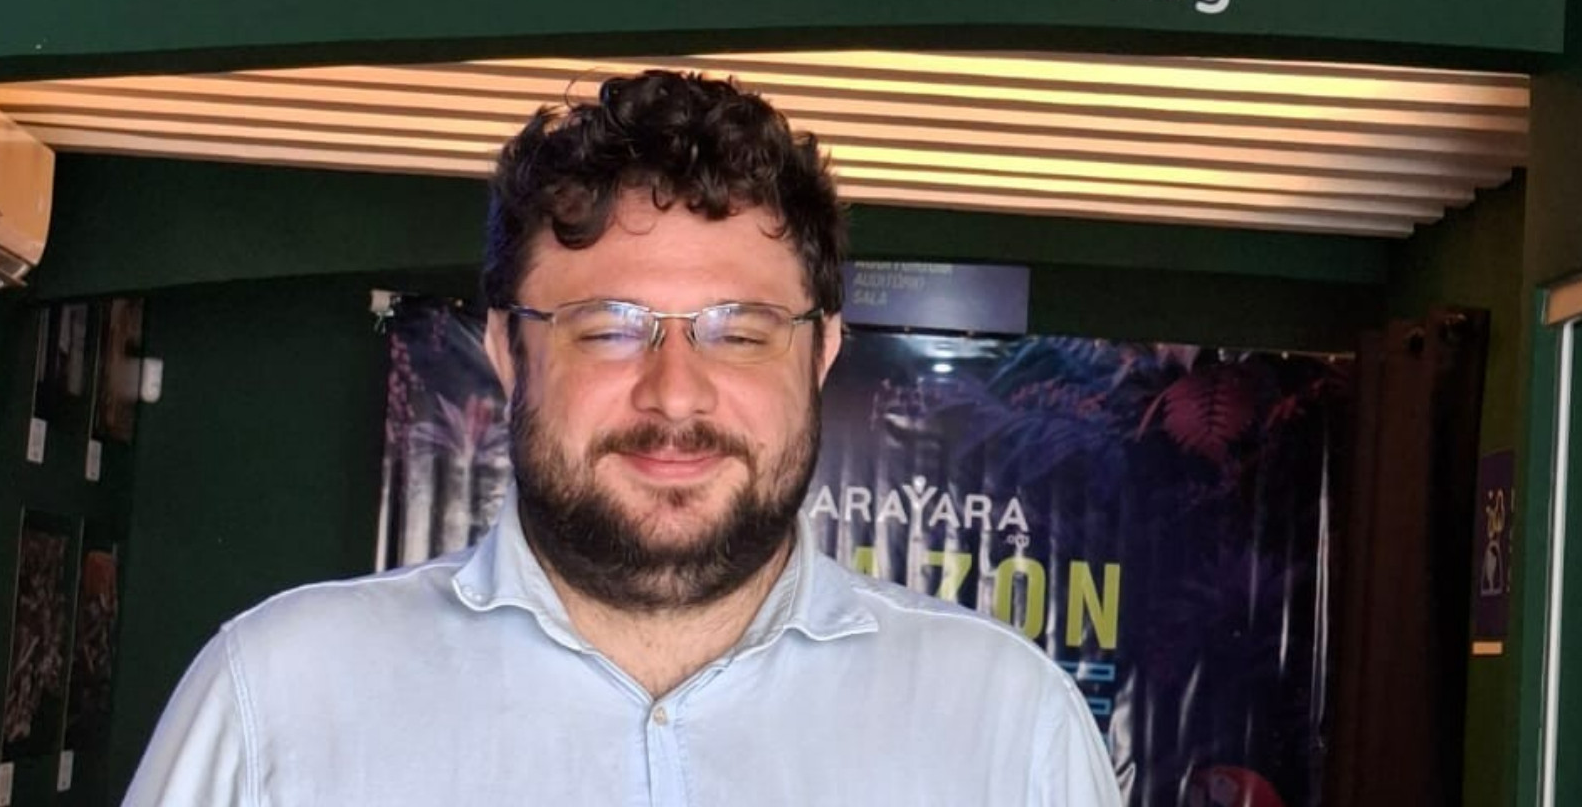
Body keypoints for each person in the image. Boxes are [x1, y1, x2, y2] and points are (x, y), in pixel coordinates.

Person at [123, 70, 1121, 806]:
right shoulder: (275, 702)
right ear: (509, 350)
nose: (675, 393)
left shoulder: (1009, 730)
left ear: (820, 353)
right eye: (608, 328)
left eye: (740, 332)